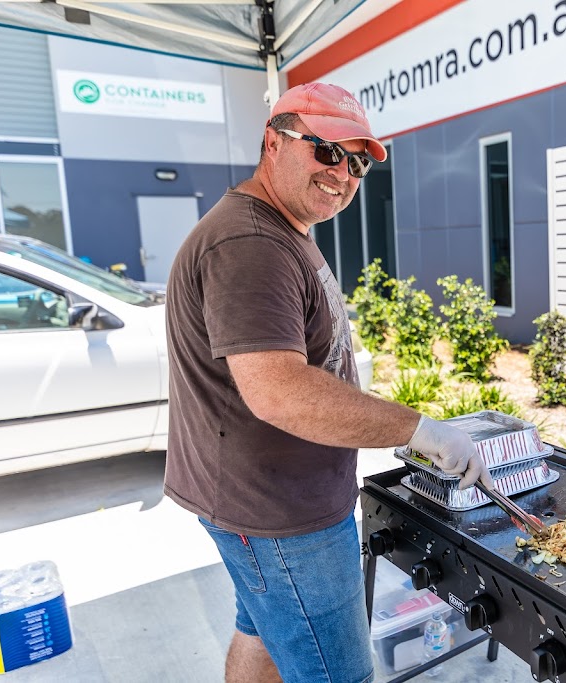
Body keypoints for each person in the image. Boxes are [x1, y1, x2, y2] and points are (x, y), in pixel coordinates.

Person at [164, 83, 493, 683]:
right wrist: (420, 430)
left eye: (358, 162)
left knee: (260, 632)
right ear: (273, 141)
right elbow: (279, 389)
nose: (344, 173)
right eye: (328, 151)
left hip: (257, 502)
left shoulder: (279, 228)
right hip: (281, 513)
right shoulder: (250, 243)